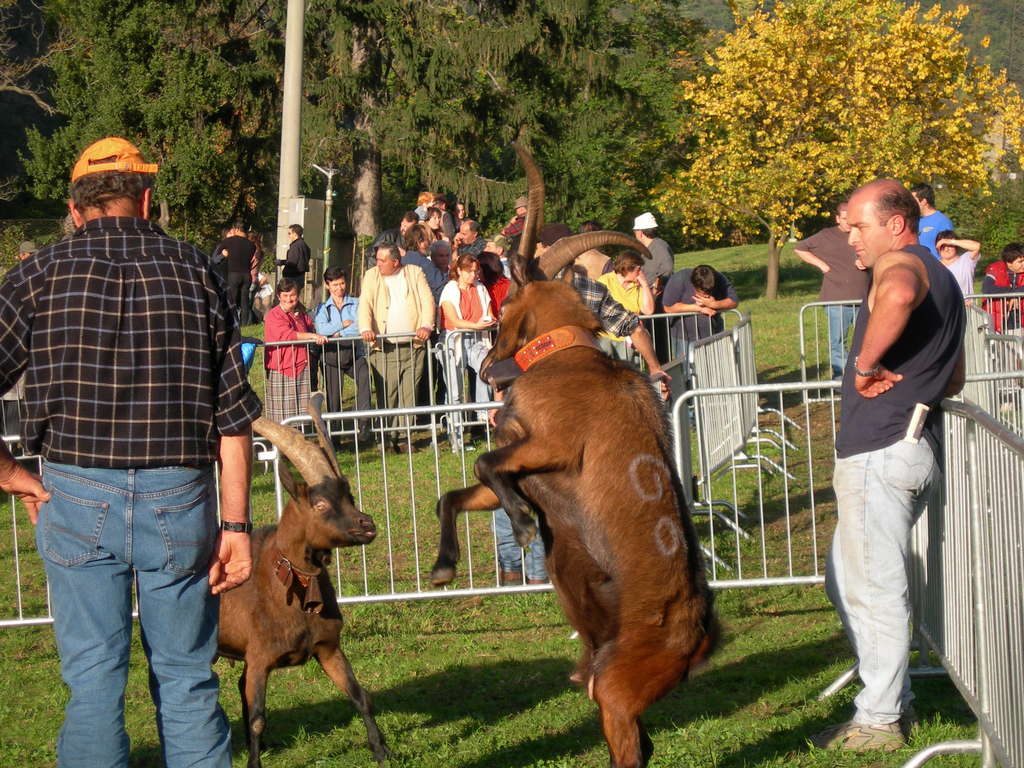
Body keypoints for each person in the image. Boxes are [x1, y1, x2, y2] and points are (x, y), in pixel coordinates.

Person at [0, 136, 260, 767]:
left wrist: (11, 475)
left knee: (92, 681)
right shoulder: (196, 269)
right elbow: (233, 418)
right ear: (146, 200)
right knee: (188, 677)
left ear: (74, 207)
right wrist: (237, 526)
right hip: (182, 497)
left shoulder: (36, 274)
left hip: (75, 490)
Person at [812, 179, 965, 753]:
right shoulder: (943, 275)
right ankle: (890, 697)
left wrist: (866, 363)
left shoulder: (901, 264)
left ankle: (879, 720)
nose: (850, 238)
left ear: (896, 224)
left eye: (859, 226)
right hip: (905, 446)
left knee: (875, 589)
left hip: (884, 451)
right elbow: (955, 376)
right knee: (846, 579)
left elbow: (897, 296)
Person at [357, 244, 435, 452]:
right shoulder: (371, 276)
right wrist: (365, 328)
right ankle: (385, 437)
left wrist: (426, 325)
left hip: (413, 345)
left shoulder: (414, 273)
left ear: (395, 261)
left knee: (409, 393)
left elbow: (428, 301)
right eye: (378, 259)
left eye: (382, 260)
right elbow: (365, 303)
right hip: (384, 347)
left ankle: (404, 437)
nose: (378, 263)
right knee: (387, 394)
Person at [794, 202, 871, 377]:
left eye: (851, 219)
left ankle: (863, 376)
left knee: (866, 341)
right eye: (845, 219)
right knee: (837, 341)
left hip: (863, 298)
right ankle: (841, 379)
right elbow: (800, 248)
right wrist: (821, 265)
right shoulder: (826, 236)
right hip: (837, 299)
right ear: (837, 218)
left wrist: (866, 261)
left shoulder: (864, 233)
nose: (848, 224)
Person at [313, 267, 371, 439]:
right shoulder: (322, 308)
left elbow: (358, 327)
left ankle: (364, 422)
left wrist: (336, 334)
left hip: (354, 352)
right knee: (334, 396)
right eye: (335, 285)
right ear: (327, 286)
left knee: (364, 377)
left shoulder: (357, 303)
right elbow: (321, 328)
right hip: (331, 356)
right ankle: (335, 434)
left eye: (342, 283)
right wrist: (341, 326)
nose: (339, 288)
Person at [263, 279, 327, 424]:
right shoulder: (273, 315)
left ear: (297, 296)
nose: (289, 299)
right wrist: (312, 336)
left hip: (300, 367)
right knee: (281, 415)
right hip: (281, 369)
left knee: (300, 414)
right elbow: (288, 335)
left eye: (292, 295)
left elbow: (312, 327)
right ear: (279, 296)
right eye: (285, 296)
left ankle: (300, 440)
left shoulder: (301, 314)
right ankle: (278, 445)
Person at [596, 251, 655, 361]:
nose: (641, 273)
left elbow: (648, 311)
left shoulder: (637, 286)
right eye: (638, 270)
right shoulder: (605, 281)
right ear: (628, 268)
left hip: (629, 338)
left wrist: (645, 285)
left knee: (629, 372)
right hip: (606, 337)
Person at [662, 264, 739, 349]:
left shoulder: (719, 278)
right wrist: (699, 308)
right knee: (687, 362)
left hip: (714, 334)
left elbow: (734, 301)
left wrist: (713, 304)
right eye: (702, 293)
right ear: (694, 285)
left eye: (710, 292)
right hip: (684, 338)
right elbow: (668, 307)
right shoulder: (680, 278)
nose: (706, 296)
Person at [213, 221, 258, 325]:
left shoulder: (229, 241)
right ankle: (244, 324)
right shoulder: (252, 245)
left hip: (233, 274)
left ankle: (232, 322)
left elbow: (217, 255)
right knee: (245, 301)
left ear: (236, 229)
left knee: (232, 300)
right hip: (247, 275)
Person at [982, 242, 1024, 333]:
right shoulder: (995, 269)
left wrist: (1016, 294)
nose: (1023, 264)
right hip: (997, 321)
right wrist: (1013, 293)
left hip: (1019, 321)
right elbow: (987, 289)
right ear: (1009, 263)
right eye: (1020, 262)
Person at [401, 223, 447, 302]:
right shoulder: (425, 264)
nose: (429, 243)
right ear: (419, 242)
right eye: (427, 239)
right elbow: (441, 288)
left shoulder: (402, 261)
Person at [632, 212, 674, 297]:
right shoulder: (649, 248)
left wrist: (655, 288)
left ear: (640, 233)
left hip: (657, 297)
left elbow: (667, 270)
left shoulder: (660, 247)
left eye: (635, 231)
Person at [909, 183, 954, 259]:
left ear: (924, 201)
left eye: (913, 200)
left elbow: (948, 252)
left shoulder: (943, 222)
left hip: (934, 269)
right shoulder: (915, 220)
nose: (911, 204)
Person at [934, 230, 980, 301]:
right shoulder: (933, 266)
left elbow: (977, 246)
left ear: (956, 246)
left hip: (966, 309)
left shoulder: (966, 259)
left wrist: (950, 241)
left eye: (950, 246)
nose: (946, 249)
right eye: (943, 246)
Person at [279, 223, 311, 293]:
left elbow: (292, 262)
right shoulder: (304, 245)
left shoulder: (295, 246)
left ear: (295, 234)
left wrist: (281, 262)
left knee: (288, 296)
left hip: (292, 277)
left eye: (289, 233)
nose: (288, 236)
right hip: (300, 275)